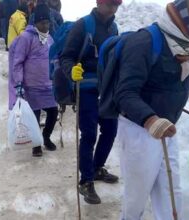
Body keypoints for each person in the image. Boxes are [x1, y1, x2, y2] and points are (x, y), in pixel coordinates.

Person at [114, 0, 189, 218]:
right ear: (187, 19)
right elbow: (124, 93)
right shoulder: (144, 42)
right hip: (138, 130)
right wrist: (151, 120)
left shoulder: (188, 45)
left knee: (171, 193)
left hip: (167, 129)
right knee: (136, 198)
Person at [59, 0, 122, 204]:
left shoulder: (114, 28)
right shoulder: (83, 25)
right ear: (99, 2)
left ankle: (96, 168)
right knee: (89, 134)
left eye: (117, 4)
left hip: (106, 89)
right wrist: (72, 72)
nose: (113, 7)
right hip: (85, 87)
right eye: (111, 3)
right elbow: (66, 56)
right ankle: (85, 181)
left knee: (110, 130)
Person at [9, 4, 58, 157]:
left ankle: (46, 137)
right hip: (32, 86)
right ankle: (36, 145)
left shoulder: (49, 39)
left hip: (48, 85)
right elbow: (18, 62)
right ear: (35, 22)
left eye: (48, 23)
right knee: (34, 117)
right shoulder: (25, 37)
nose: (45, 26)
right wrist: (18, 83)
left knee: (53, 112)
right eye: (42, 23)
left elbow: (54, 60)